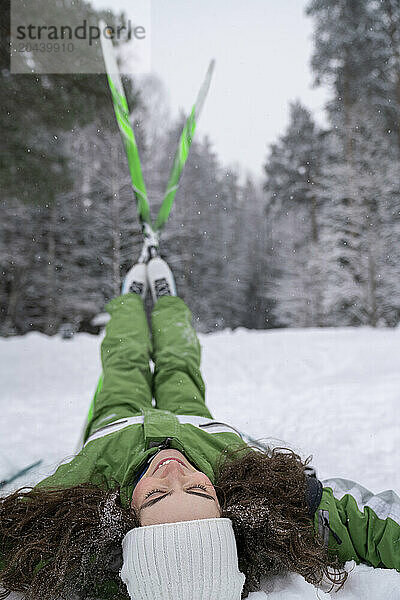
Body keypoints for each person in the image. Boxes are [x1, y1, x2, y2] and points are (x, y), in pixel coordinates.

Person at [0, 256, 399, 600]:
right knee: (178, 361)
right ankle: (167, 301)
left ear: (125, 515)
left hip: (115, 424)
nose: (174, 470)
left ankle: (129, 302)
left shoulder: (76, 503)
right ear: (226, 507)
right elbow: (362, 524)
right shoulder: (259, 494)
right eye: (198, 489)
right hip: (195, 421)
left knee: (124, 360)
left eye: (155, 495)